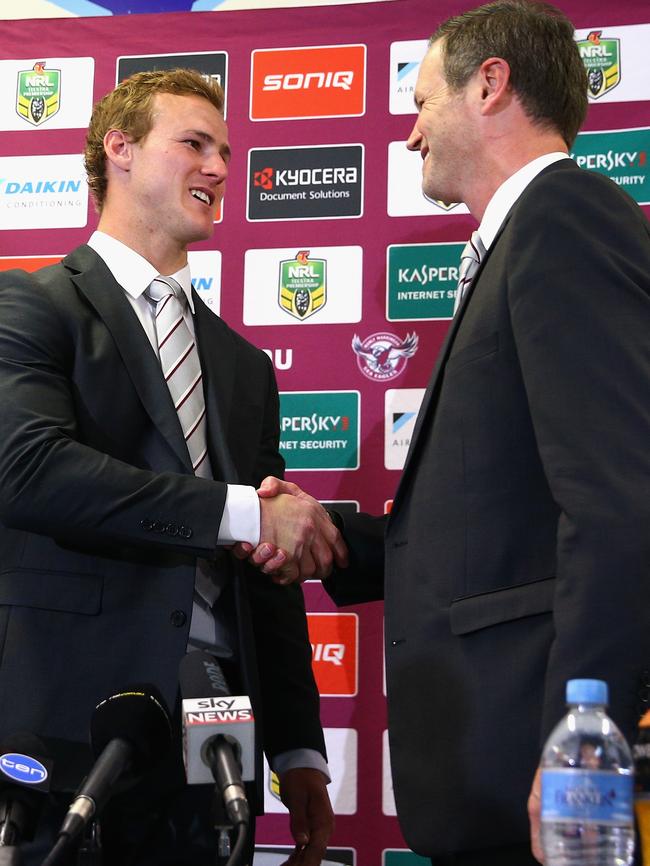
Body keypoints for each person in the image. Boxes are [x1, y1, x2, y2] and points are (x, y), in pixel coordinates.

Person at [242, 2, 650, 863]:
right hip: (491, 766)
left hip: (541, 770)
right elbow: (503, 522)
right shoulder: (519, 244)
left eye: (422, 102)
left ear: (490, 85)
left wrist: (582, 745)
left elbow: (617, 506)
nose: (408, 134)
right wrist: (336, 539)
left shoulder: (562, 219)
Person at [0, 68, 346, 865]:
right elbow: (29, 472)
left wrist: (297, 752)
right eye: (193, 144)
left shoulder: (242, 364)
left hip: (215, 739)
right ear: (118, 149)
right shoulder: (34, 307)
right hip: (61, 730)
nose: (221, 169)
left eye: (224, 151)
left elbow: (269, 570)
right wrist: (239, 512)